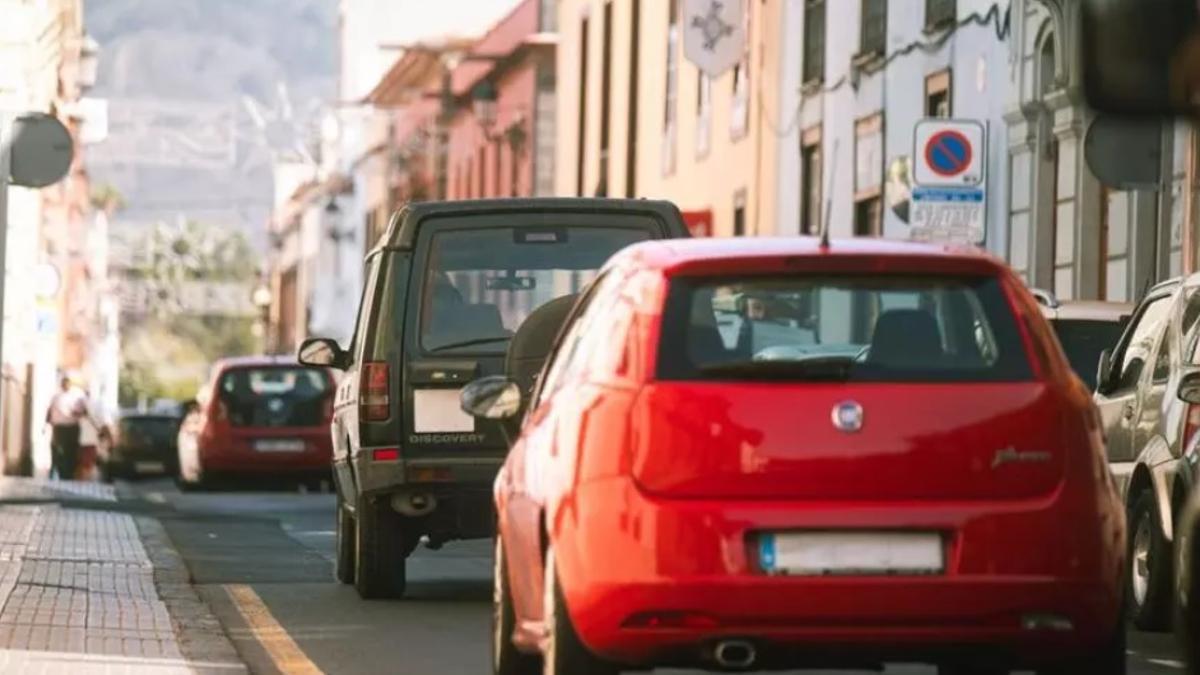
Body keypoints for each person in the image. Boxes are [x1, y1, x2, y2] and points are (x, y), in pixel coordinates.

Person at [45, 376, 90, 480]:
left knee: (71, 450)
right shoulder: (56, 397)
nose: (65, 385)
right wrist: (47, 422)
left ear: (70, 384)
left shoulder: (77, 397)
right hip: (59, 427)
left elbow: (85, 412)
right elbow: (49, 410)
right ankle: (61, 472)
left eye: (67, 383)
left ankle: (69, 473)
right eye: (63, 383)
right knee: (59, 450)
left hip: (72, 427)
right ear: (61, 384)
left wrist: (77, 413)